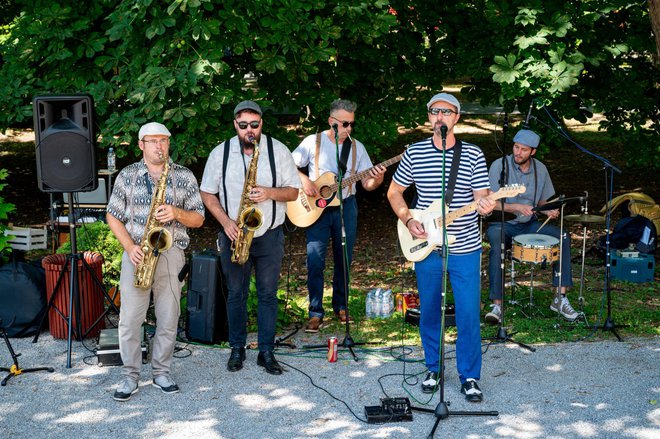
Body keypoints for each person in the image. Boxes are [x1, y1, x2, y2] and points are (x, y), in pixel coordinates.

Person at [387, 93, 495, 402]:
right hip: (427, 246)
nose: (440, 117)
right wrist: (408, 219)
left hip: (465, 248)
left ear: (457, 118)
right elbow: (395, 192)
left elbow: (481, 197)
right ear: (429, 117)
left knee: (468, 313)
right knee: (430, 311)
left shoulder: (473, 154)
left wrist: (485, 205)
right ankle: (433, 368)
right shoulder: (416, 153)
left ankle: (470, 376)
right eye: (435, 111)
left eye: (447, 112)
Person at [200, 101, 300, 375]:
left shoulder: (277, 150)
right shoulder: (220, 153)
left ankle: (266, 351)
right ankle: (237, 349)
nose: (249, 131)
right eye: (243, 126)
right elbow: (207, 193)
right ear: (235, 124)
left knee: (268, 295)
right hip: (234, 232)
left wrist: (269, 192)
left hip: (269, 234)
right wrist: (225, 221)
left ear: (261, 124)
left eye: (254, 125)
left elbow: (293, 192)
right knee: (236, 294)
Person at [107, 122, 205, 402]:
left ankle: (161, 371)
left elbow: (198, 218)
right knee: (129, 320)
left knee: (168, 317)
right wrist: (129, 247)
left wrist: (175, 212)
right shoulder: (127, 175)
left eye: (163, 141)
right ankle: (130, 376)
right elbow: (113, 216)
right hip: (136, 253)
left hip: (171, 253)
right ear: (141, 145)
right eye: (152, 141)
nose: (159, 146)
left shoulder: (184, 176)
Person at [291, 99, 386, 333]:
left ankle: (341, 306)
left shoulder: (357, 148)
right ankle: (315, 312)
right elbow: (287, 167)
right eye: (344, 123)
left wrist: (379, 177)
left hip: (347, 206)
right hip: (316, 209)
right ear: (331, 122)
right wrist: (305, 180)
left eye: (351, 124)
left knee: (344, 258)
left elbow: (368, 184)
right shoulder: (312, 142)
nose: (349, 128)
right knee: (315, 260)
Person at [485, 129, 577, 324]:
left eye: (524, 150)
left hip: (529, 225)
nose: (518, 153)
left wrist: (546, 211)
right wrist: (514, 206)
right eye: (516, 147)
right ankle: (497, 304)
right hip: (502, 223)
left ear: (533, 152)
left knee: (564, 236)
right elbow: (487, 201)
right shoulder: (499, 166)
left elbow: (542, 202)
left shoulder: (541, 169)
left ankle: (560, 298)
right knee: (497, 243)